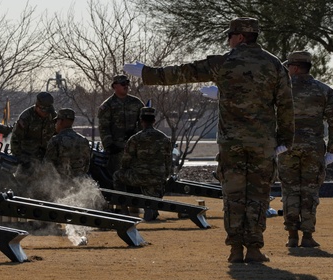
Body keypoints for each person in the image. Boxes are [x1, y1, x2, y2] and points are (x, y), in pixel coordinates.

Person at [124, 17, 294, 264]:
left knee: (234, 196)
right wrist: (285, 140)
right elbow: (286, 105)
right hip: (262, 143)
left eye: (230, 36)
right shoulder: (275, 65)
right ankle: (255, 248)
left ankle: (236, 249)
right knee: (257, 196)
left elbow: (184, 72)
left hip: (231, 143)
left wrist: (148, 73)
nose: (228, 40)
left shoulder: (224, 62)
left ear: (240, 37)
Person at [278, 51, 333, 248]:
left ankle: (291, 236)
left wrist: (273, 144)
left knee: (289, 191)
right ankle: (307, 235)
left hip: (286, 148)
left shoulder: (281, 90)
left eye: (288, 67)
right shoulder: (324, 91)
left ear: (295, 68)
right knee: (309, 192)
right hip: (313, 149)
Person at [118, 107, 173, 221]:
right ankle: (152, 208)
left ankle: (124, 209)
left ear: (141, 121)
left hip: (139, 177)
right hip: (158, 177)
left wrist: (127, 170)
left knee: (117, 176)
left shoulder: (135, 139)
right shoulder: (164, 138)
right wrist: (164, 176)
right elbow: (168, 162)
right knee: (158, 182)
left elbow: (125, 161)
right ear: (154, 121)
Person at [97, 74, 145, 189]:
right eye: (123, 84)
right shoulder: (107, 105)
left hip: (134, 151)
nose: (126, 86)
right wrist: (109, 145)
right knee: (116, 182)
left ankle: (134, 206)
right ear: (115, 86)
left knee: (134, 182)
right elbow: (103, 127)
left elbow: (144, 122)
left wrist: (136, 133)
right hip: (116, 151)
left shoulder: (137, 103)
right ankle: (118, 206)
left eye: (127, 83)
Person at [9, 91, 58, 168]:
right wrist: (19, 159)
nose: (47, 113)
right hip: (28, 158)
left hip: (46, 158)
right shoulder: (26, 117)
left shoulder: (53, 116)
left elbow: (57, 134)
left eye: (49, 111)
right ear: (38, 107)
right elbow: (15, 140)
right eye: (45, 111)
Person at [45, 108, 92, 180]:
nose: (55, 124)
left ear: (61, 121)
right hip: (80, 184)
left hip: (61, 184)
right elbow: (87, 165)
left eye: (56, 121)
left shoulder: (56, 140)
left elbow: (48, 165)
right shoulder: (83, 140)